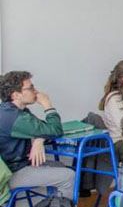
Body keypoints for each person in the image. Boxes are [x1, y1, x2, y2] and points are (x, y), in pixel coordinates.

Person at [0, 71, 74, 200]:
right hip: (12, 173)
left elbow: (43, 129)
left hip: (18, 165)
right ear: (16, 95)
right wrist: (47, 105)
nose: (36, 91)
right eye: (30, 88)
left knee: (59, 166)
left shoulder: (13, 111)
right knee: (68, 176)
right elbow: (55, 130)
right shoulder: (14, 117)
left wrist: (38, 140)